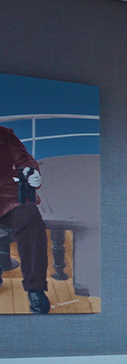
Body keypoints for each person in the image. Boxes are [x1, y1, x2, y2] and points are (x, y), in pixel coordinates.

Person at [0, 125, 50, 313]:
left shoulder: (4, 133)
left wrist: (32, 171)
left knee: (31, 220)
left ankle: (35, 288)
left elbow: (25, 159)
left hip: (7, 196)